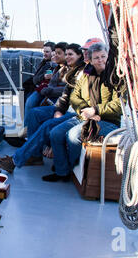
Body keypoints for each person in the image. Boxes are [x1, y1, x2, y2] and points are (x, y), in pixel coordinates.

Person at [0, 43, 86, 173]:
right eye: (67, 54)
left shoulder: (82, 72)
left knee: (47, 125)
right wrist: (58, 110)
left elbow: (74, 97)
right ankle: (35, 156)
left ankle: (15, 160)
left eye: (70, 54)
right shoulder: (69, 70)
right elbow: (66, 94)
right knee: (34, 113)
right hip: (65, 108)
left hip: (76, 112)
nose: (67, 57)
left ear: (80, 55)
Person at [43, 42, 121, 182]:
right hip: (84, 115)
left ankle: (68, 167)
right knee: (55, 133)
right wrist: (85, 110)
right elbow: (74, 97)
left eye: (103, 56)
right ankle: (62, 172)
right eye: (96, 58)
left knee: (74, 136)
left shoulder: (114, 77)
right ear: (90, 60)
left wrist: (95, 110)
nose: (100, 60)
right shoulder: (85, 75)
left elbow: (118, 105)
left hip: (107, 121)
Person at [24, 41, 58, 118]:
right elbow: (36, 79)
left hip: (50, 89)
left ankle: (27, 126)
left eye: (47, 52)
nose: (44, 54)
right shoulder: (44, 63)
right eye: (44, 51)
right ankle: (26, 126)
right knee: (29, 102)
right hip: (41, 87)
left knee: (30, 103)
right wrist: (44, 77)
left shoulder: (58, 63)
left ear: (53, 52)